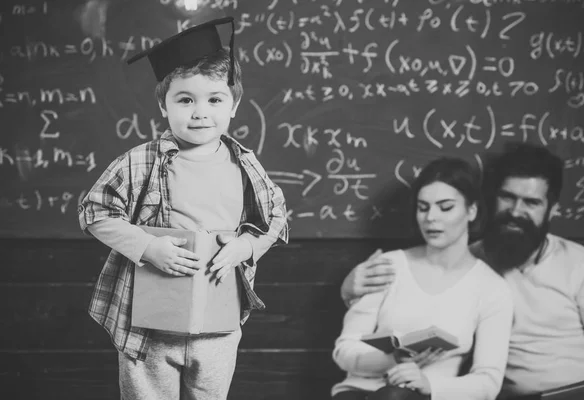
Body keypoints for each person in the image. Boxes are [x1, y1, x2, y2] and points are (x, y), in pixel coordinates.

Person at [77, 17, 288, 400]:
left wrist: (248, 246)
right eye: (185, 99)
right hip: (150, 328)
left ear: (234, 104)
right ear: (163, 103)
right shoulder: (139, 161)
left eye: (215, 99)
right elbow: (95, 211)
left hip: (218, 325)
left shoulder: (245, 164)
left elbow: (275, 217)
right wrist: (147, 248)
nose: (200, 112)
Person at [341, 143, 584, 399]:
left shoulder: (579, 264)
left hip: (577, 392)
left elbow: (485, 379)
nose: (516, 211)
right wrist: (349, 290)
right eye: (507, 197)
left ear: (552, 209)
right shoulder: (469, 257)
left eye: (531, 202)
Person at [332, 157, 514, 400]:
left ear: (471, 210)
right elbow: (344, 350)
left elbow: (488, 381)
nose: (431, 218)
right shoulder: (388, 266)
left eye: (445, 207)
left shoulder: (492, 288)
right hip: (362, 394)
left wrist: (430, 386)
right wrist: (391, 358)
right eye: (423, 207)